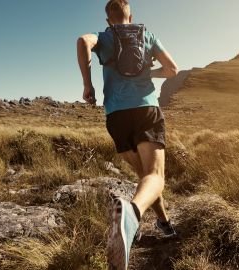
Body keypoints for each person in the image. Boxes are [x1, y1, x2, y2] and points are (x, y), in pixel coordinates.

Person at [76, 0, 178, 269]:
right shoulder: (147, 36)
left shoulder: (104, 37)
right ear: (130, 16)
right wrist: (148, 71)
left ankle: (164, 224)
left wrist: (87, 84)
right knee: (155, 177)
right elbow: (172, 70)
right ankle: (131, 214)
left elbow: (81, 41)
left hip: (116, 115)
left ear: (109, 19)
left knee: (146, 177)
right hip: (145, 109)